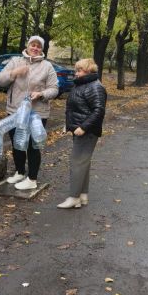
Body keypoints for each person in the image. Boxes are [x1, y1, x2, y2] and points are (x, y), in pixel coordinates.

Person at [0, 35, 59, 190]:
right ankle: (19, 172)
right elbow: (0, 80)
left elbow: (54, 89)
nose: (35, 48)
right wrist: (14, 73)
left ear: (41, 49)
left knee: (33, 146)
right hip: (15, 111)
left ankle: (32, 178)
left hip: (36, 113)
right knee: (17, 143)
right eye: (33, 45)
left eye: (38, 46)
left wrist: (41, 94)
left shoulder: (47, 66)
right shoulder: (15, 61)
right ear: (27, 45)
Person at [57, 57, 107, 209]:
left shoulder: (95, 87)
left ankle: (74, 197)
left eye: (79, 70)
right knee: (83, 163)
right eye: (76, 69)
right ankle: (82, 196)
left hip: (87, 132)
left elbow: (99, 111)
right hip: (79, 130)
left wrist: (84, 127)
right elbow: (74, 109)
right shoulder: (83, 85)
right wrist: (69, 126)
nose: (76, 73)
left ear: (89, 71)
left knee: (77, 163)